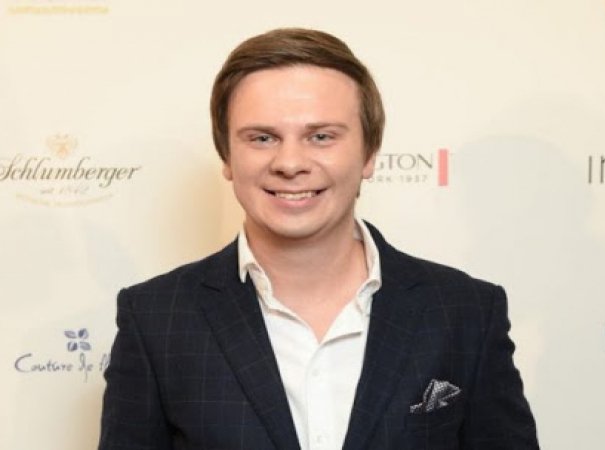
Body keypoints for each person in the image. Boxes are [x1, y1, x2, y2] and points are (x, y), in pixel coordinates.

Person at [98, 28, 539, 450]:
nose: (290, 163)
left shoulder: (465, 312)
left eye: (321, 136)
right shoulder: (155, 319)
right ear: (227, 156)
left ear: (369, 153)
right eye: (262, 138)